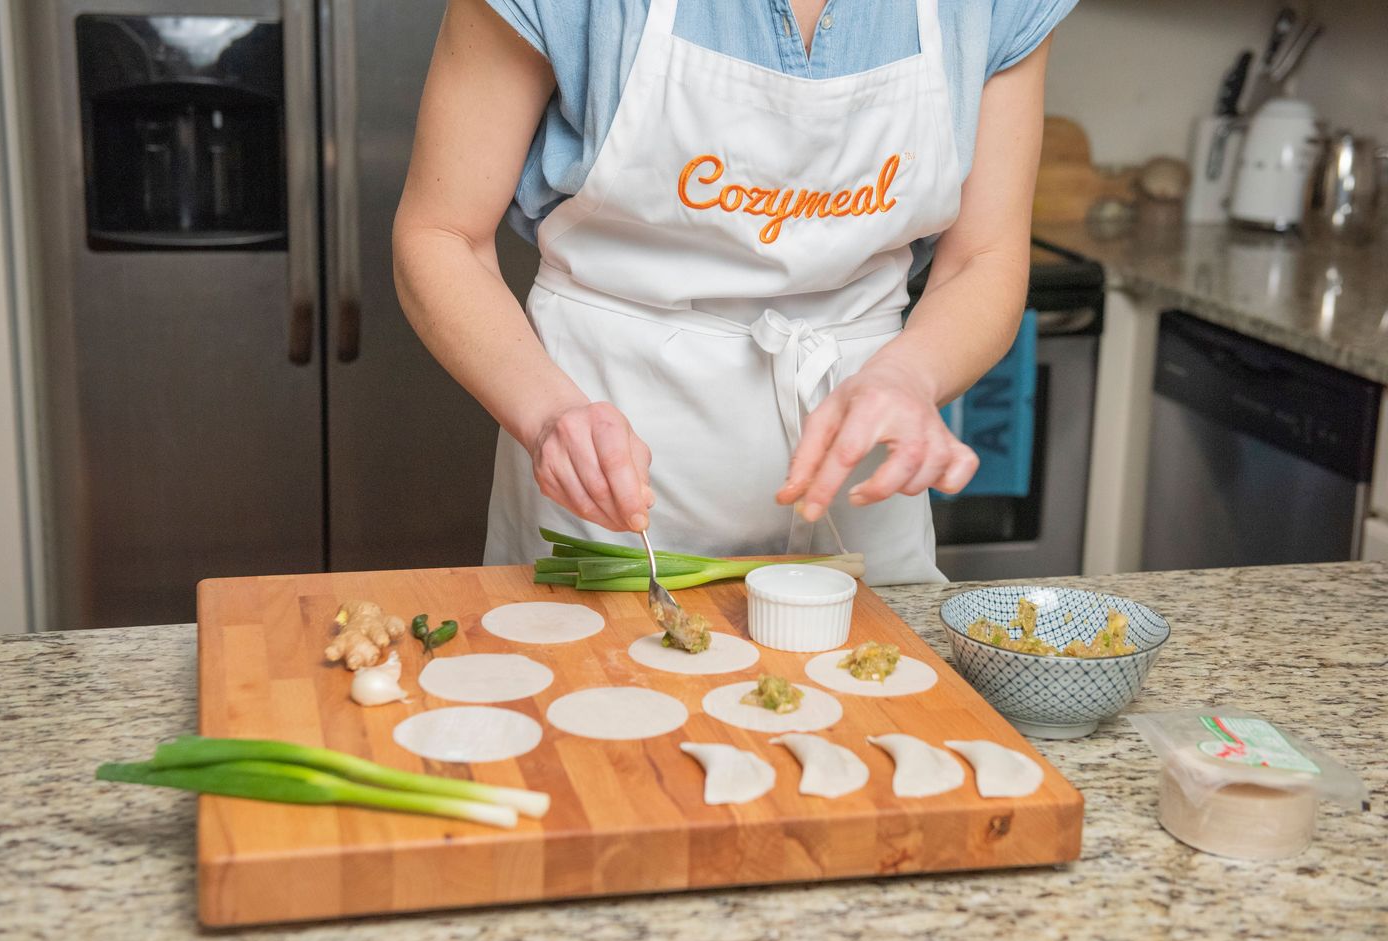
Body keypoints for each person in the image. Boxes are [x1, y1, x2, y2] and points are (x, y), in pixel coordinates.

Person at [394, 0, 1076, 585]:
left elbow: (981, 259)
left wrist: (909, 376)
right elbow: (441, 233)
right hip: (605, 475)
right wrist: (547, 414)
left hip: (859, 489)